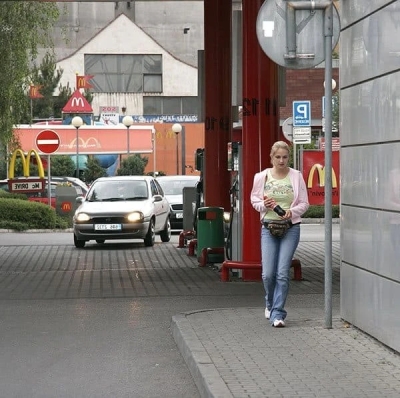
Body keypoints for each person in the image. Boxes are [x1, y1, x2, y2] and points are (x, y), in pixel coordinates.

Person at [250, 141, 309, 328]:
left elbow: (305, 203)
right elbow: (254, 200)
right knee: (268, 274)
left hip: (290, 227)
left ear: (288, 158)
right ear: (271, 157)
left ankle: (278, 313)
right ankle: (270, 302)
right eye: (278, 157)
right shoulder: (261, 177)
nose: (281, 160)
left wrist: (294, 212)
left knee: (282, 273)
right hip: (268, 227)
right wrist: (263, 205)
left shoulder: (296, 176)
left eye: (285, 157)